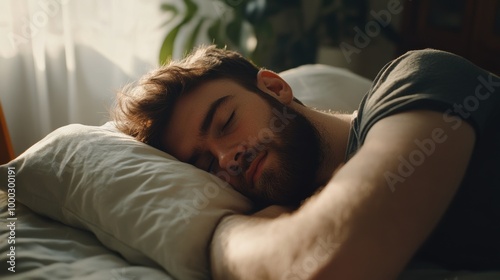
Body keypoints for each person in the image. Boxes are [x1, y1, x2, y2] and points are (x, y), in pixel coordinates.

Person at [112, 45, 500, 279]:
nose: (227, 158)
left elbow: (331, 265)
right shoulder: (288, 215)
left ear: (275, 87)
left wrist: (221, 236)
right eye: (205, 164)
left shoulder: (416, 76)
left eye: (226, 122)